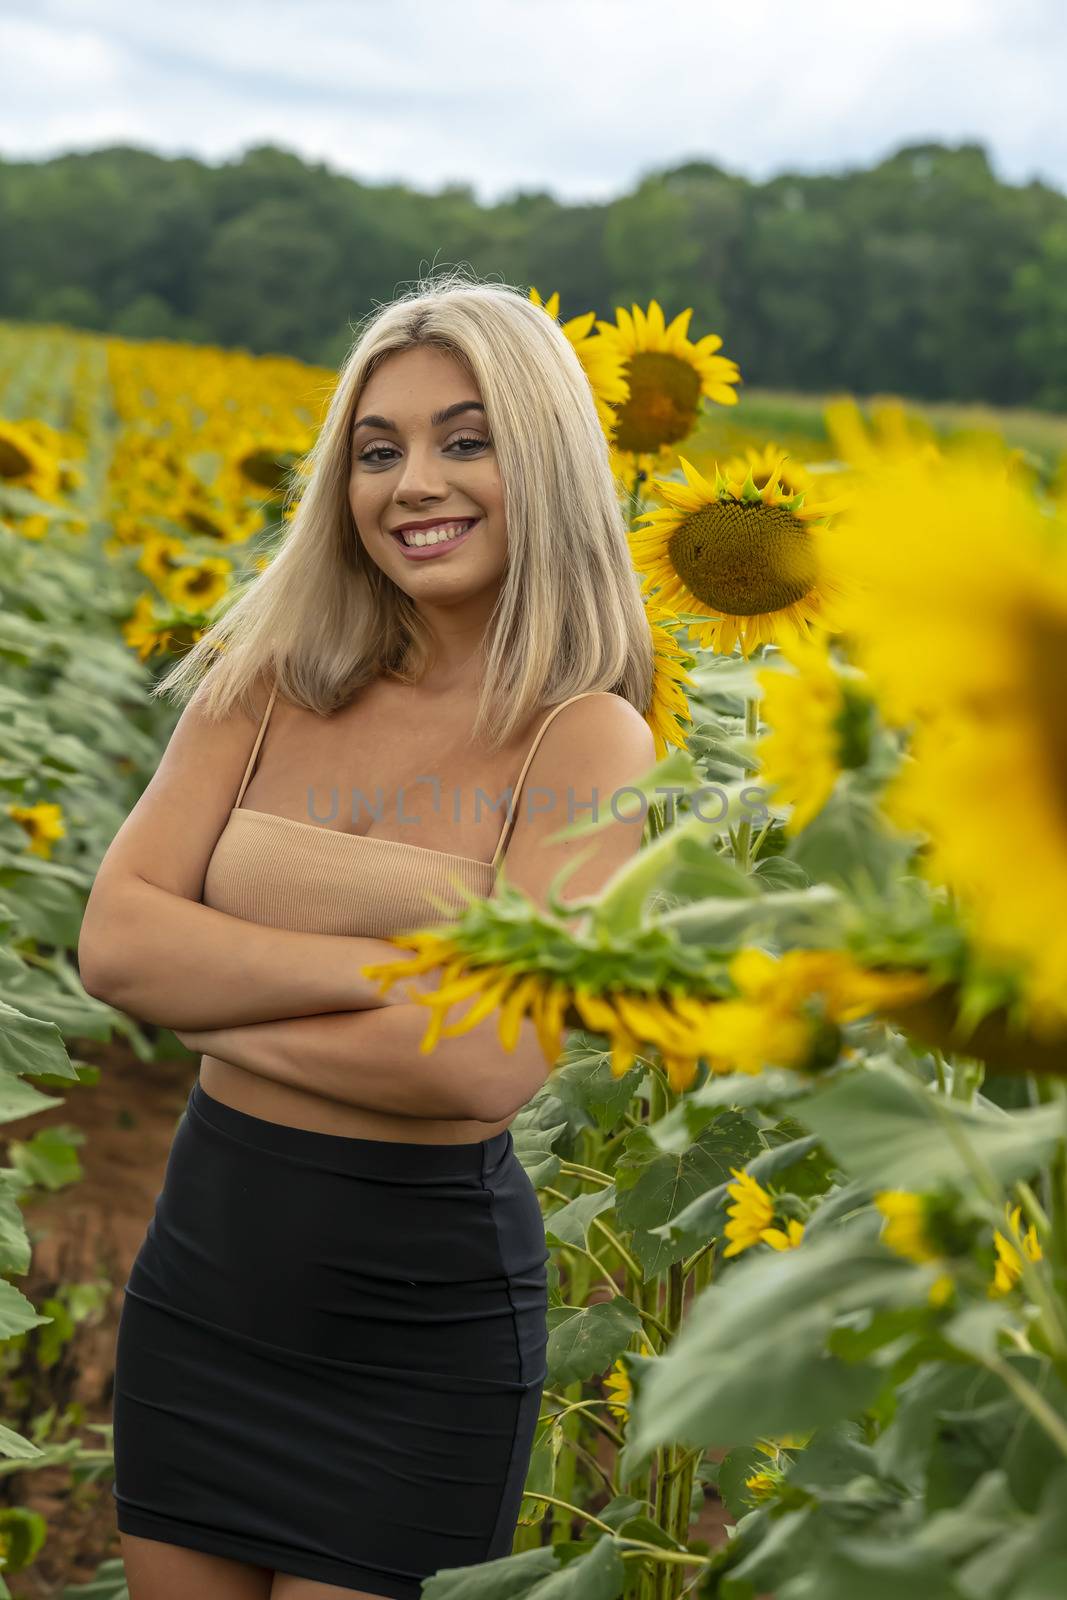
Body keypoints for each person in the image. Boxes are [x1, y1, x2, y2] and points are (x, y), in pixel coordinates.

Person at [78, 269, 656, 1600]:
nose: (414, 485)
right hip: (207, 1283)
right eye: (377, 451)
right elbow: (116, 949)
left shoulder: (587, 737)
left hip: (417, 1329)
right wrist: (392, 985)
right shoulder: (268, 678)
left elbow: (482, 1067)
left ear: (549, 464)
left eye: (468, 440)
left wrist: (209, 994)